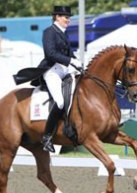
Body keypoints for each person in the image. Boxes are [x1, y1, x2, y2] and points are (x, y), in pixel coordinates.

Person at [38, 5, 82, 153]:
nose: (68, 20)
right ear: (57, 17)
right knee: (60, 101)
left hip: (64, 70)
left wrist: (78, 62)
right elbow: (50, 53)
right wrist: (70, 61)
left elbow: (69, 54)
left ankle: (71, 128)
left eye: (69, 18)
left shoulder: (63, 33)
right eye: (66, 17)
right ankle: (47, 136)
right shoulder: (49, 32)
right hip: (52, 71)